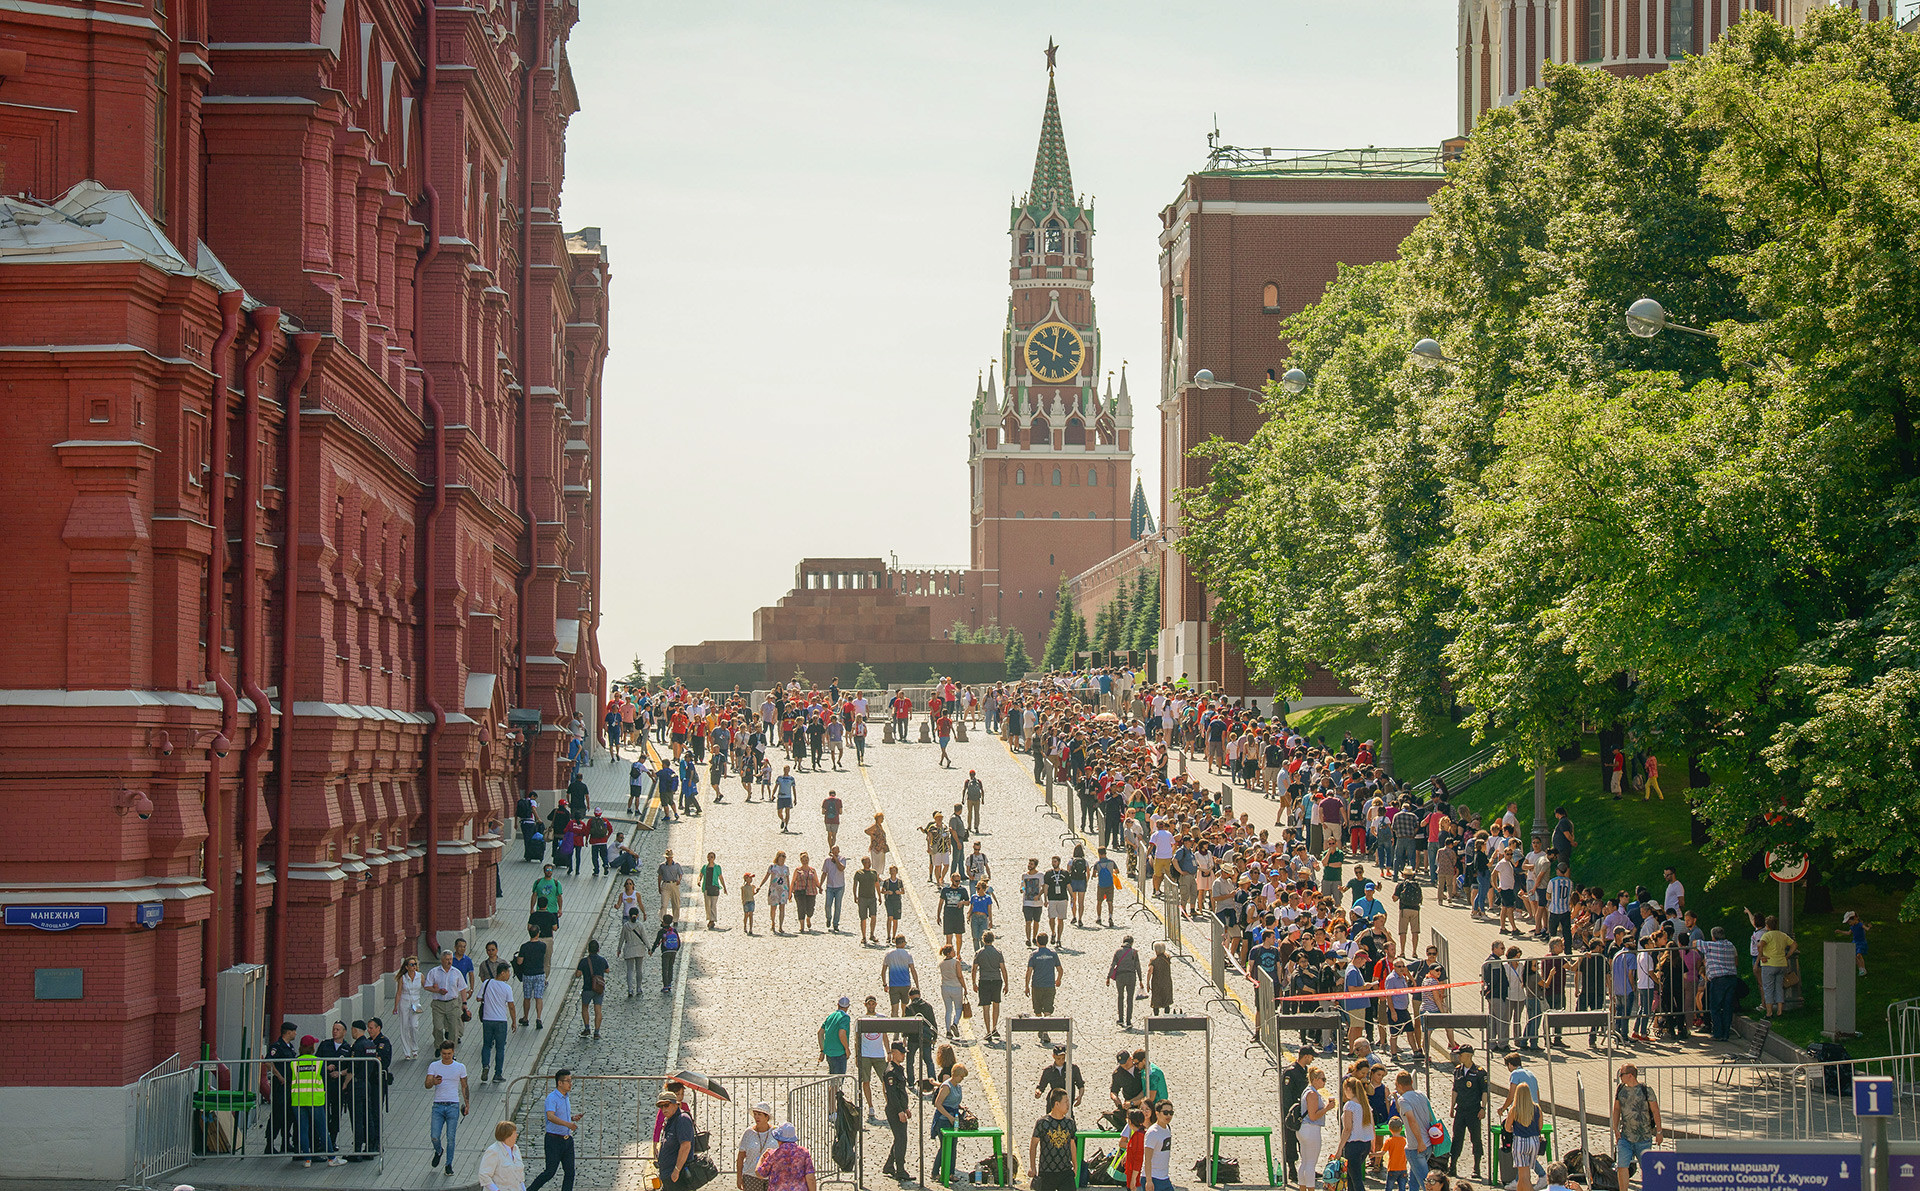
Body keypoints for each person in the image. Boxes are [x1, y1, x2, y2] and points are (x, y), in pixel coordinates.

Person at [290, 1033, 341, 1167]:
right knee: (322, 1129)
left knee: (303, 1130)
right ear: (312, 1047)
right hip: (315, 1100)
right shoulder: (318, 1062)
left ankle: (307, 1159)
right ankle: (331, 1158)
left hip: (299, 1100)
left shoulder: (294, 1062)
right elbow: (323, 1076)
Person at [1609, 1065, 1661, 1191]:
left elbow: (1655, 1111)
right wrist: (1615, 1128)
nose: (1620, 1077)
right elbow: (1616, 1109)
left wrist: (1659, 1131)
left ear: (1630, 1075)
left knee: (1646, 1169)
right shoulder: (1621, 1089)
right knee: (1622, 1165)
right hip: (1625, 1136)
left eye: (1622, 1074)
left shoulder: (1646, 1090)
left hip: (1643, 1137)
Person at [425, 1038, 469, 1176]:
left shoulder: (460, 1067)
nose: (446, 1056)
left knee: (451, 1137)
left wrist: (467, 1104)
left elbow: (464, 1086)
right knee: (434, 1136)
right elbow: (427, 1085)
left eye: (449, 1053)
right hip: (438, 1105)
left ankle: (449, 1164)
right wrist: (433, 1081)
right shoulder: (434, 1066)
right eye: (444, 1053)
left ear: (453, 1052)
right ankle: (438, 1151)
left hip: (453, 1105)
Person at [1449, 1047, 1487, 1179]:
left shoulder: (1479, 1073)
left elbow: (1484, 1092)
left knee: (1475, 1138)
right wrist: (1452, 1106)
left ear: (1468, 1055)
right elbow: (1455, 1089)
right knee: (1457, 1138)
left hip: (1473, 1110)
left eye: (1461, 1054)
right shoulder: (1458, 1070)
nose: (1459, 1057)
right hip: (1461, 1110)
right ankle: (1452, 1165)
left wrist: (1483, 1108)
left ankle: (1477, 1168)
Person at [1032, 1087, 1080, 1191]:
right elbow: (1034, 1145)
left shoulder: (1070, 1123)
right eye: (1066, 1102)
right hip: (1047, 1172)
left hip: (1065, 1171)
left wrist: (1075, 1165)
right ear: (1056, 1104)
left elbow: (1072, 1144)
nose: (1068, 1104)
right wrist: (1033, 1167)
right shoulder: (1042, 1122)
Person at [477, 962, 517, 1081]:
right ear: (502, 973)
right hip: (500, 1021)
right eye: (508, 972)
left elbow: (479, 998)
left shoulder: (487, 983)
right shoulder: (507, 988)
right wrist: (514, 1021)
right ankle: (497, 1074)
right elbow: (511, 1006)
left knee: (486, 1045)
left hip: (487, 1019)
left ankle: (485, 1065)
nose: (509, 975)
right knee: (500, 1048)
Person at [425, 949, 470, 1050]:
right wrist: (437, 990)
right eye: (447, 959)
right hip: (438, 1004)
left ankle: (451, 1050)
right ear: (442, 960)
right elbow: (427, 986)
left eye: (450, 959)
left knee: (453, 1029)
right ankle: (438, 1046)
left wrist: (464, 1003)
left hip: (452, 1004)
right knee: (438, 1027)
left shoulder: (456, 973)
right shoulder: (434, 972)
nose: (449, 961)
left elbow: (462, 988)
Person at [754, 1122, 818, 1191]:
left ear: (779, 1139)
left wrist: (762, 1157)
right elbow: (810, 1177)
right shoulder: (804, 1153)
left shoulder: (773, 1154)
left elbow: (759, 1173)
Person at [1755, 914, 1796, 1018]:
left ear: (1767, 926)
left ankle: (1769, 1012)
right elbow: (1794, 945)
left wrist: (1762, 956)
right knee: (1779, 987)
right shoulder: (1782, 935)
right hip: (1781, 964)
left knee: (1768, 988)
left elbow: (1760, 945)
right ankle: (1780, 1011)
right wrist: (1787, 956)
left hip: (1769, 964)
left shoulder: (1767, 935)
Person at [1504, 1082, 1542, 1191]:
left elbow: (1507, 1127)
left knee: (1524, 1176)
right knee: (1524, 1176)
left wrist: (1512, 1129)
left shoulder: (1515, 1110)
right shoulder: (1536, 1108)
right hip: (1534, 1141)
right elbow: (1540, 1126)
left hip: (1521, 1141)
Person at [1296, 1065, 1329, 1191]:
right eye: (1323, 1079)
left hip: (1304, 1130)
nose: (1324, 1081)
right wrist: (1327, 1108)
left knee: (1304, 1162)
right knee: (1310, 1163)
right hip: (1311, 1129)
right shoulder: (1312, 1094)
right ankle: (1310, 1189)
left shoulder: (1307, 1090)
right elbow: (1313, 1116)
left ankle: (1302, 1188)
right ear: (1315, 1080)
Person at [1027, 932, 1064, 1043]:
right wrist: (1058, 979)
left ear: (1037, 942)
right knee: (1048, 1009)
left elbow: (1029, 971)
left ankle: (1042, 1029)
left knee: (1037, 1009)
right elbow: (1060, 969)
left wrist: (1026, 985)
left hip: (1037, 985)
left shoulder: (1034, 955)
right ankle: (1045, 1030)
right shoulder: (1052, 954)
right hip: (1049, 985)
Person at [882, 1044, 912, 1180]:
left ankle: (889, 1165)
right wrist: (900, 1111)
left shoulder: (898, 1069)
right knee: (901, 1140)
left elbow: (901, 1092)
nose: (904, 1055)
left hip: (900, 1109)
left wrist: (905, 1108)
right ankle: (900, 1170)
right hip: (894, 1110)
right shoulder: (891, 1072)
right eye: (901, 1053)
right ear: (894, 1053)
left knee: (899, 1139)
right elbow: (892, 1094)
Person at [659, 1091, 699, 1191]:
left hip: (678, 1177)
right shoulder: (670, 1120)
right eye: (661, 1107)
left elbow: (685, 1146)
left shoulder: (682, 1119)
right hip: (668, 1175)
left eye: (666, 1105)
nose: (664, 1109)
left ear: (675, 1104)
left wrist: (676, 1170)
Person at [975, 931, 1009, 1043]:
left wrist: (974, 983)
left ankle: (988, 1031)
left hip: (984, 980)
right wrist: (1006, 983)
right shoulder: (998, 953)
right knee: (996, 1004)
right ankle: (994, 1028)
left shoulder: (979, 953)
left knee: (985, 1007)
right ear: (993, 939)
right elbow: (1003, 969)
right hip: (996, 980)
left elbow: (974, 969)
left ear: (983, 940)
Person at [1340, 1077, 1373, 1191]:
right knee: (1351, 1177)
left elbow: (1347, 1129)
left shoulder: (1350, 1105)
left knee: (1356, 1179)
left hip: (1353, 1145)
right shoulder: (1365, 1105)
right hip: (1365, 1144)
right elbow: (1371, 1126)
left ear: (1348, 1089)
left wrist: (1339, 1149)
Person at [392, 956, 425, 1060]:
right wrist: (395, 1006)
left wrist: (437, 989)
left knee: (414, 1025)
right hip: (404, 1002)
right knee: (404, 1026)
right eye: (411, 964)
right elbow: (399, 993)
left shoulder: (420, 976)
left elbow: (427, 986)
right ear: (406, 967)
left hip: (416, 1002)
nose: (414, 966)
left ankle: (414, 1049)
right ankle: (407, 1052)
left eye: (415, 964)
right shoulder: (403, 978)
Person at [738, 1102, 776, 1191]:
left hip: (772, 1175)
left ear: (767, 1117)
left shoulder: (775, 1131)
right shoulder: (748, 1133)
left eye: (760, 1114)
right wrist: (739, 1177)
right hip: (751, 1175)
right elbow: (740, 1156)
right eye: (755, 1114)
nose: (757, 1117)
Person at [1034, 1043, 1086, 1108]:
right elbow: (1041, 1087)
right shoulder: (1048, 1071)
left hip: (1067, 1104)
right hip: (1053, 1105)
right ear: (1053, 1056)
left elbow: (1081, 1085)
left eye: (1063, 1058)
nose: (1061, 1060)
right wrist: (1038, 1092)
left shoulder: (1073, 1069)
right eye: (1058, 1058)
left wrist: (1080, 1097)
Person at [516, 924, 549, 1028]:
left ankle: (525, 1018)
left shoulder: (524, 947)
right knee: (538, 997)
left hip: (528, 974)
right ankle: (538, 1018)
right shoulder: (543, 946)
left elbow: (520, 962)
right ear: (538, 933)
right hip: (540, 974)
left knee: (527, 997)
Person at [479, 1120, 527, 1191]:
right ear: (508, 1136)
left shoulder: (516, 1149)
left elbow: (520, 1178)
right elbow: (484, 1175)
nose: (517, 1135)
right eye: (515, 1133)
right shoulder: (493, 1151)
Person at [1143, 1101, 1176, 1191]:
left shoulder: (1167, 1128)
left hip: (1164, 1177)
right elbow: (1147, 1159)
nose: (1168, 1116)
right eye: (1165, 1113)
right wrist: (1148, 1181)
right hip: (1153, 1177)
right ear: (1157, 1113)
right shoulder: (1153, 1132)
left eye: (1171, 1113)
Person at [882, 935, 919, 1014]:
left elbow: (883, 971)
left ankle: (895, 1025)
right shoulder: (907, 955)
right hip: (905, 985)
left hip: (893, 985)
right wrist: (917, 985)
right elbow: (913, 970)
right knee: (905, 1010)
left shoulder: (889, 955)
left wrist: (885, 984)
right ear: (902, 943)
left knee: (894, 1010)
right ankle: (904, 1024)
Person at [620, 908, 650, 997]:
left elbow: (622, 939)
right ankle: (639, 988)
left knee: (629, 970)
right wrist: (649, 948)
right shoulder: (640, 925)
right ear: (637, 915)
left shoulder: (625, 926)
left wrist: (618, 949)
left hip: (629, 949)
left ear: (629, 915)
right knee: (639, 969)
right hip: (639, 949)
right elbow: (644, 937)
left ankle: (630, 989)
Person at [819, 995, 852, 1074]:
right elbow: (842, 1034)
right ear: (848, 1006)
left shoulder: (831, 1016)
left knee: (833, 1080)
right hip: (839, 1053)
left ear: (838, 1005)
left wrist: (822, 1050)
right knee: (837, 1082)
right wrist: (847, 1048)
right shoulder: (845, 1017)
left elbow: (820, 1033)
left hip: (829, 1053)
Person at [652, 915, 684, 994]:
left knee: (665, 968)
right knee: (670, 967)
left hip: (665, 952)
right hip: (673, 952)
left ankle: (665, 986)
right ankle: (669, 984)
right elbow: (679, 942)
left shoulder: (661, 931)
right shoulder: (674, 930)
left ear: (663, 921)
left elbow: (657, 942)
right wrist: (676, 950)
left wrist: (652, 950)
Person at [854, 858, 882, 945]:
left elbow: (877, 884)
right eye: (866, 862)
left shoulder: (873, 872)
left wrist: (879, 896)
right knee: (863, 918)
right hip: (862, 898)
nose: (868, 864)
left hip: (872, 898)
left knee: (873, 916)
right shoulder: (859, 873)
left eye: (869, 862)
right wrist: (855, 896)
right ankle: (864, 937)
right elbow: (855, 885)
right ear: (863, 863)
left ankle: (872, 934)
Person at [699, 853, 728, 930]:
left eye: (711, 857)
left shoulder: (717, 867)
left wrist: (724, 887)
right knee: (707, 904)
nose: (709, 858)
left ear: (714, 858)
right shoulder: (705, 867)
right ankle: (709, 919)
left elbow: (721, 877)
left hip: (714, 887)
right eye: (708, 857)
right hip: (706, 888)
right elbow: (701, 875)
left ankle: (712, 920)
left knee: (713, 905)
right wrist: (699, 881)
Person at [1147, 941, 1174, 1016]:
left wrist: (1147, 983)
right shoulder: (1168, 958)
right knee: (1166, 999)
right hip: (1167, 981)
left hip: (1157, 982)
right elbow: (1167, 955)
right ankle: (1167, 1016)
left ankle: (1156, 1016)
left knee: (1156, 1000)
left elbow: (1150, 971)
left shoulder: (1153, 961)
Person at [1383, 1119, 1409, 1191]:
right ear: (1401, 1128)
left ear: (1389, 1128)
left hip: (1392, 1168)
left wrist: (1372, 1154)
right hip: (1403, 1168)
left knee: (1388, 1188)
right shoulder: (1405, 1140)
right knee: (1402, 1188)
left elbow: (1382, 1153)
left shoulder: (1389, 1141)